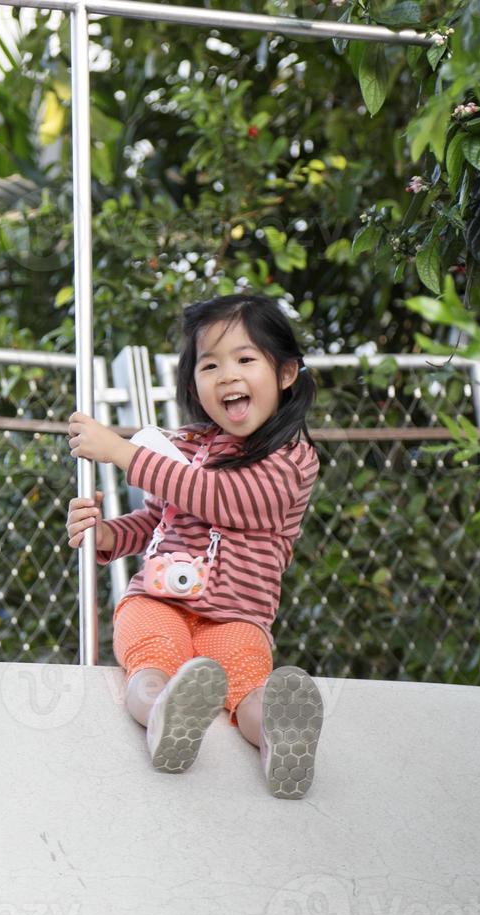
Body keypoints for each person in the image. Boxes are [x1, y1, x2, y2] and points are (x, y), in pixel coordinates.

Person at [64, 294, 325, 799]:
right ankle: (164, 715)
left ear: (287, 373)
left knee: (249, 684)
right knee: (154, 664)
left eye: (245, 359)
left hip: (237, 617)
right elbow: (158, 520)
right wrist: (105, 533)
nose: (227, 375)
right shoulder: (187, 446)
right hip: (158, 602)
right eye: (210, 365)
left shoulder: (292, 461)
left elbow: (225, 499)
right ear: (194, 384)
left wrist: (123, 452)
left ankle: (281, 737)